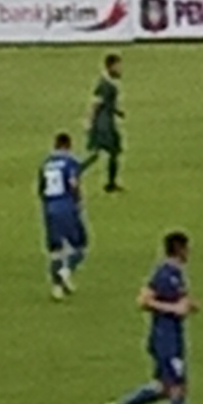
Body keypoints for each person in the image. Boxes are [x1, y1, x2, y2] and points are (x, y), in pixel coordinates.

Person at [106, 230, 200, 404]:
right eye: (187, 248)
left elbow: (179, 300)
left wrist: (188, 305)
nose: (189, 252)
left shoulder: (177, 273)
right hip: (164, 339)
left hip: (174, 338)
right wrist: (173, 309)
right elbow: (143, 300)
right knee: (177, 389)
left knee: (163, 388)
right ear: (179, 249)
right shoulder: (163, 272)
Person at [38, 129, 89, 297]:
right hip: (66, 206)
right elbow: (73, 183)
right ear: (68, 145)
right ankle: (65, 272)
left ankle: (57, 288)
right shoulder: (70, 162)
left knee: (56, 250)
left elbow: (41, 189)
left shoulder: (45, 163)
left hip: (49, 208)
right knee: (80, 246)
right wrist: (79, 201)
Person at [82, 53, 128, 192]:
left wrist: (117, 112)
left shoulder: (109, 83)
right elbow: (96, 104)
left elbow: (106, 103)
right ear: (111, 66)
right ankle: (72, 173)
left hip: (107, 122)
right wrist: (89, 122)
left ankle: (111, 183)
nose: (121, 69)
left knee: (108, 152)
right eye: (118, 66)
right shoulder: (104, 84)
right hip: (103, 125)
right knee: (101, 153)